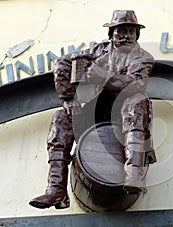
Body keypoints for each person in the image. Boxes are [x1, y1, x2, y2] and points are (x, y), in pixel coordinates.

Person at [29, 10, 156, 209]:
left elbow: (136, 84)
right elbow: (62, 62)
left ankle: (134, 173)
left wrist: (102, 76)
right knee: (61, 118)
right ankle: (56, 189)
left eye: (131, 31)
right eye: (120, 31)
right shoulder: (98, 51)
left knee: (136, 100)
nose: (126, 36)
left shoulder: (143, 58)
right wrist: (69, 99)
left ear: (137, 35)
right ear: (111, 34)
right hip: (94, 120)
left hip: (124, 120)